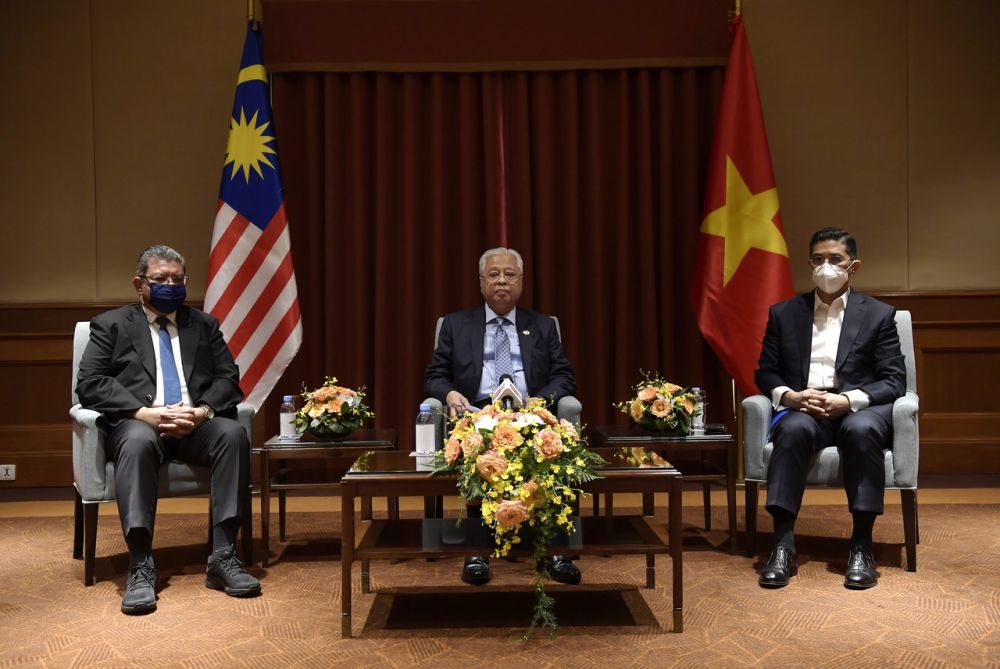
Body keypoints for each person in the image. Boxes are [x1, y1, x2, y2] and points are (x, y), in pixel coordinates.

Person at [76, 245, 260, 614]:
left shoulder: (204, 325)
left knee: (232, 434)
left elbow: (229, 379)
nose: (170, 285)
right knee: (138, 442)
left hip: (195, 425)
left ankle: (223, 556)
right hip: (140, 424)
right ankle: (141, 563)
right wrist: (143, 413)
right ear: (139, 283)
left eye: (177, 279)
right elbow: (90, 383)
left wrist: (202, 412)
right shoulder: (110, 325)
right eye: (160, 280)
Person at [754, 228, 906, 590]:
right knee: (791, 430)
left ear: (853, 267)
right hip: (805, 406)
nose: (826, 266)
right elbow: (765, 371)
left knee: (861, 430)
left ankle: (861, 545)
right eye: (818, 259)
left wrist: (849, 400)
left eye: (835, 259)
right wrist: (789, 396)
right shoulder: (785, 313)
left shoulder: (879, 315)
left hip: (857, 408)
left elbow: (894, 379)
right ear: (809, 264)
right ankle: (782, 544)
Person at [425, 247, 580, 585]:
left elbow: (564, 376)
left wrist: (541, 400)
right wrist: (449, 394)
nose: (501, 281)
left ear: (521, 282)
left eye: (509, 274)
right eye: (493, 274)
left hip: (529, 410)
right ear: (481, 282)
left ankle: (553, 551)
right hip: (476, 409)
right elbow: (435, 375)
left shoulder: (541, 325)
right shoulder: (455, 324)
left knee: (546, 447)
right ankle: (477, 552)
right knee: (481, 446)